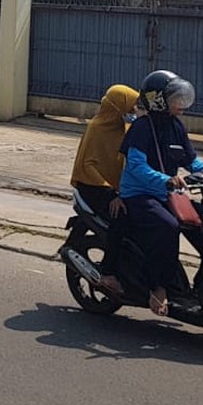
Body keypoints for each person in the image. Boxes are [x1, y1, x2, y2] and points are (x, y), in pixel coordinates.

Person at [112, 69, 203, 317]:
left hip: (168, 193)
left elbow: (192, 161)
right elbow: (137, 166)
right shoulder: (142, 128)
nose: (182, 103)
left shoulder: (176, 126)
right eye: (176, 98)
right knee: (168, 226)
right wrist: (166, 180)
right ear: (158, 100)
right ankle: (159, 287)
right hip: (139, 195)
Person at [70, 84, 139, 294]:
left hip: (116, 189)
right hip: (93, 187)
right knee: (121, 219)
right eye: (129, 107)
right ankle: (108, 272)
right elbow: (87, 165)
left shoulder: (123, 129)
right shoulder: (96, 128)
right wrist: (111, 192)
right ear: (117, 107)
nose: (133, 112)